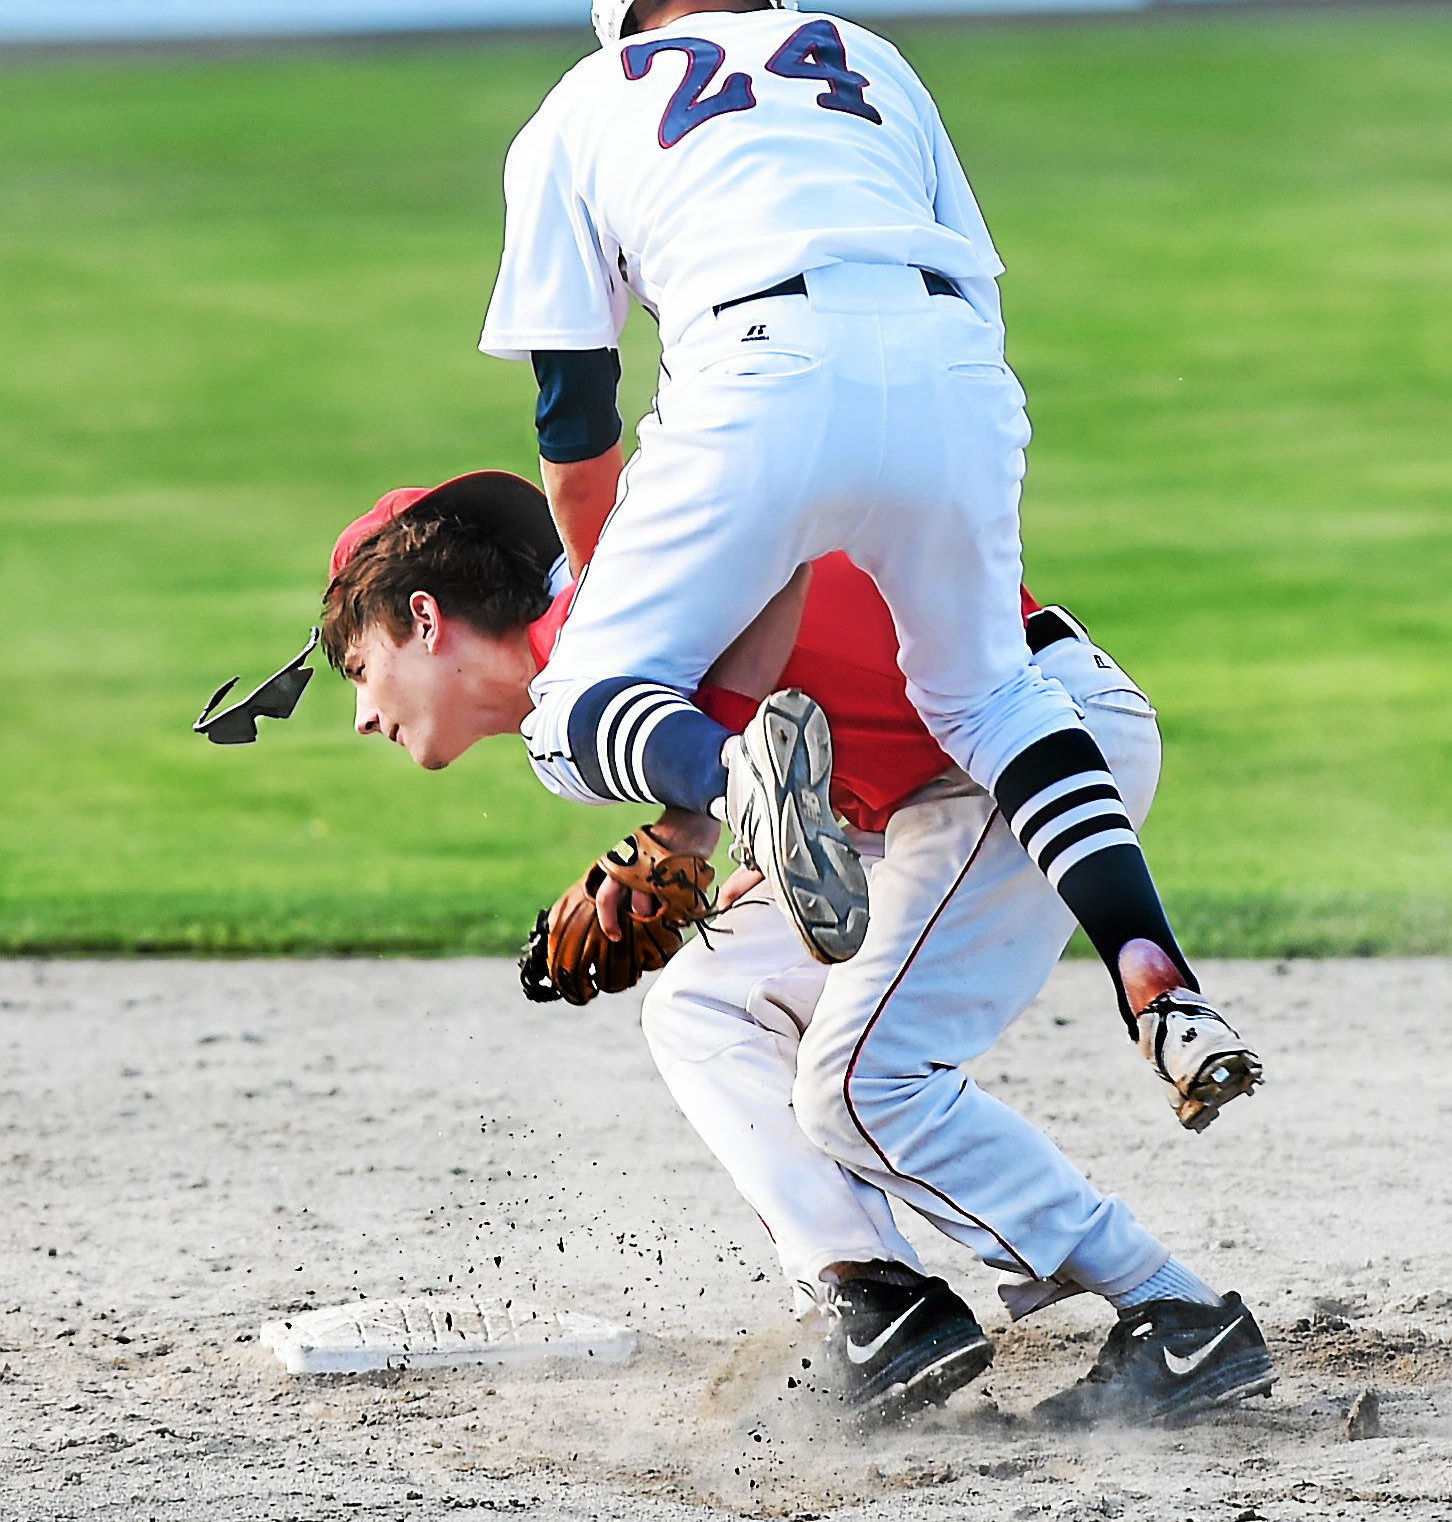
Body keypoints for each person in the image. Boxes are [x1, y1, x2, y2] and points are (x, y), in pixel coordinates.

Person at [321, 471, 1273, 1426]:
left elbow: (769, 600)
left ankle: (1173, 1308)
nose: (363, 714)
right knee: (704, 1003)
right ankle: (877, 1302)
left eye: (360, 667)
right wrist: (723, 827)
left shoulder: (600, 630)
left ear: (427, 618)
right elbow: (760, 699)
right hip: (907, 795)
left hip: (1022, 747)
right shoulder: (594, 633)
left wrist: (710, 822)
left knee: (864, 1082)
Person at [477, 0, 1218, 1045]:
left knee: (571, 715)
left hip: (751, 363)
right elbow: (975, 290)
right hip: (953, 369)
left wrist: (650, 659)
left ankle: (734, 785)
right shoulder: (869, 56)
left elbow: (575, 428)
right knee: (988, 695)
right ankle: (1159, 977)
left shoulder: (579, 102)